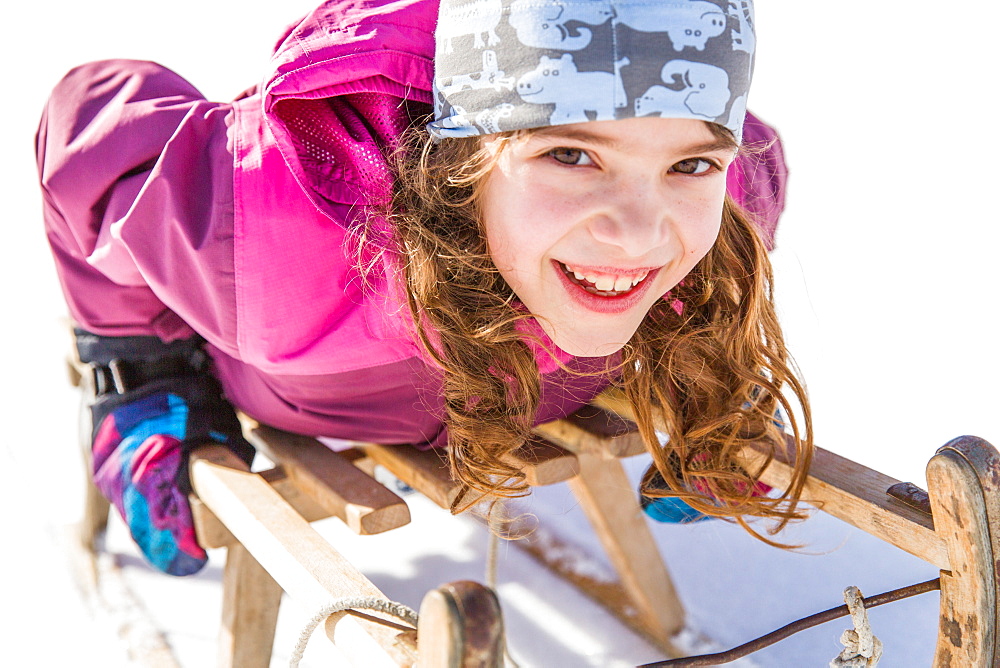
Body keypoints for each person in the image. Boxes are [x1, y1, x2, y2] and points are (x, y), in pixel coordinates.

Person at [37, 0, 812, 576]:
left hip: (551, 388)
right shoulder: (272, 216)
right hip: (302, 388)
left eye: (691, 165)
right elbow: (88, 123)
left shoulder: (734, 192)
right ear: (462, 156)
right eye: (572, 156)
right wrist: (138, 372)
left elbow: (730, 168)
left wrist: (712, 367)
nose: (641, 233)